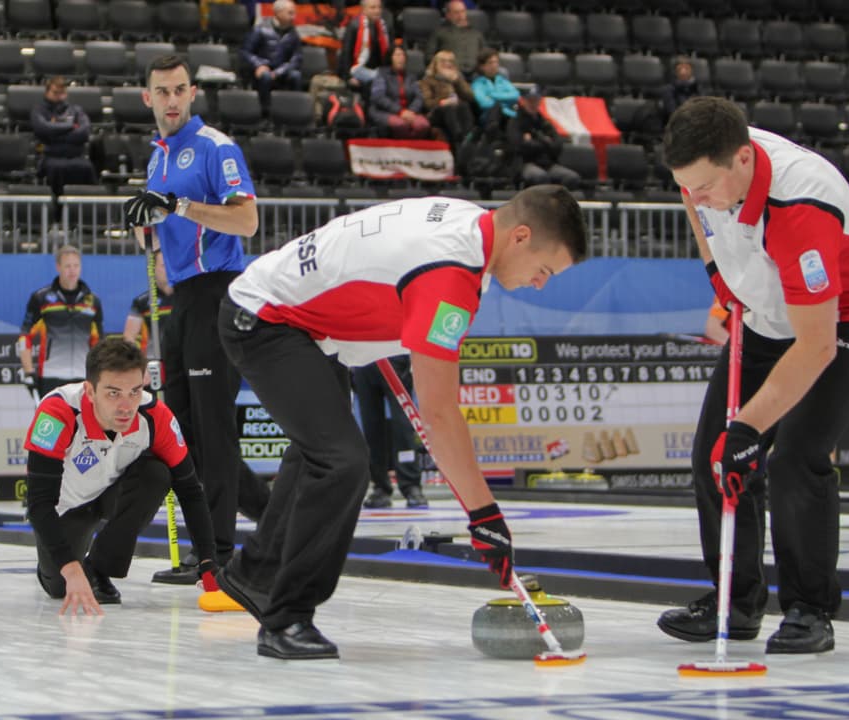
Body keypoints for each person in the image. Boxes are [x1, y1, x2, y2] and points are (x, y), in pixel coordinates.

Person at [214, 185, 586, 660]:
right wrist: (484, 514)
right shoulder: (450, 274)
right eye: (544, 270)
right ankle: (287, 618)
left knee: (322, 451)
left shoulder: (469, 223)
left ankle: (257, 573)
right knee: (342, 462)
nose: (540, 283)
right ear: (520, 236)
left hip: (306, 319)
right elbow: (437, 410)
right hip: (267, 318)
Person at [655, 97, 849, 655]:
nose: (696, 197)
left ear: (744, 159)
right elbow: (694, 208)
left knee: (795, 456)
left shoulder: (801, 204)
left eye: (705, 186)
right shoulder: (707, 170)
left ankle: (809, 609)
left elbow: (815, 346)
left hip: (847, 314)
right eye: (686, 185)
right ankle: (736, 602)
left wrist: (747, 429)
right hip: (767, 309)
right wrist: (720, 276)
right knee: (712, 456)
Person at [122, 54, 268, 569]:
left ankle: (219, 555)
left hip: (219, 293)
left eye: (180, 90)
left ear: (192, 93)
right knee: (182, 431)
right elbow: (163, 226)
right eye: (162, 92)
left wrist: (177, 207)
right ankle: (265, 519)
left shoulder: (214, 147)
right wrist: (147, 226)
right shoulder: (158, 156)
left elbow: (247, 221)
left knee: (212, 428)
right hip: (181, 298)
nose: (172, 101)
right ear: (148, 98)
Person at [25, 337, 219, 615]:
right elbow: (38, 502)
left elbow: (190, 490)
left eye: (135, 391)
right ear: (90, 391)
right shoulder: (58, 412)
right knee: (59, 586)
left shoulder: (155, 416)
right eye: (113, 393)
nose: (126, 406)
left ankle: (99, 567)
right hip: (65, 509)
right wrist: (70, 568)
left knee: (156, 473)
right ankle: (73, 565)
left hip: (111, 493)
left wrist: (208, 563)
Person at [19, 245, 103, 400]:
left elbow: (98, 342)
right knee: (53, 424)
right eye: (67, 266)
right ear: (58, 267)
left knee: (83, 423)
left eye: (76, 265)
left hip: (83, 375)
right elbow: (25, 337)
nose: (72, 270)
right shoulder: (41, 298)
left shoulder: (92, 301)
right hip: (52, 375)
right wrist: (28, 371)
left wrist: (99, 373)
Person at [353, 355, 428, 509]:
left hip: (393, 355)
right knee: (371, 424)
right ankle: (380, 486)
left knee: (403, 424)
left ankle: (411, 485)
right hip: (361, 358)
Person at [31, 76, 97, 197]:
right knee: (55, 168)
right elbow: (43, 130)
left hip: (75, 156)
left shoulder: (76, 110)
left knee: (87, 167)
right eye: (55, 93)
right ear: (47, 92)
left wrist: (55, 134)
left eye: (62, 93)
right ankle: (56, 211)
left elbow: (84, 133)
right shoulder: (39, 110)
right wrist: (70, 126)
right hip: (51, 157)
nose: (59, 96)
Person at [506, 86, 580, 191]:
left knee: (571, 177)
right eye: (530, 100)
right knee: (540, 177)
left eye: (535, 100)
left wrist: (534, 142)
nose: (533, 104)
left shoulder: (544, 122)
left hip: (548, 163)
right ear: (523, 101)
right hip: (525, 163)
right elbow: (518, 146)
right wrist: (545, 141)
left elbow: (558, 144)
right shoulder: (515, 122)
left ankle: (558, 204)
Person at [240, 0, 303, 112]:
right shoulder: (260, 29)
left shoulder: (293, 33)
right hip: (264, 69)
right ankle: (265, 112)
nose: (294, 17)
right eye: (290, 13)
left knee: (296, 76)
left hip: (282, 70)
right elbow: (245, 52)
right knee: (266, 77)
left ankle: (294, 111)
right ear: (278, 13)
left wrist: (278, 72)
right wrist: (259, 65)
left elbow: (297, 58)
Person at [368, 44, 431, 139]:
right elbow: (378, 97)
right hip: (385, 111)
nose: (401, 58)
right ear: (390, 58)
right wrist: (400, 111)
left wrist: (412, 111)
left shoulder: (411, 76)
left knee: (422, 125)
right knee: (401, 125)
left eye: (402, 55)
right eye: (397, 55)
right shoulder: (381, 74)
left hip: (409, 112)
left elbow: (419, 97)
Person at [419, 50, 474, 150]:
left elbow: (470, 97)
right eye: (443, 61)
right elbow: (427, 104)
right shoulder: (427, 80)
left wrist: (456, 82)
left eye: (450, 61)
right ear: (436, 64)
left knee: (464, 106)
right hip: (436, 113)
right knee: (448, 108)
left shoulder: (458, 79)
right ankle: (458, 137)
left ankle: (468, 137)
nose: (447, 64)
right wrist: (443, 101)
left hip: (457, 111)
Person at [122, 248, 173, 354]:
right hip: (153, 364)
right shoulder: (142, 302)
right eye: (164, 265)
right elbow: (129, 339)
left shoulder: (185, 298)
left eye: (171, 264)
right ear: (153, 268)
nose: (169, 269)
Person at [337, 0, 391, 92]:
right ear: (364, 10)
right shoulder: (354, 26)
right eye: (373, 8)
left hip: (376, 71)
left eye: (379, 7)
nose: (377, 11)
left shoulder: (383, 27)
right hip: (356, 70)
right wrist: (348, 78)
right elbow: (346, 54)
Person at [425, 0, 485, 78]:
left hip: (475, 73)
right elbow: (428, 57)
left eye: (463, 11)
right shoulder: (439, 32)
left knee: (501, 71)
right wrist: (443, 66)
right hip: (449, 73)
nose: (461, 15)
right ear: (448, 15)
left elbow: (485, 54)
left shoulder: (476, 33)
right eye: (456, 12)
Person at [471, 48, 519, 126]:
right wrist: (505, 102)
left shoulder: (502, 80)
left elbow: (515, 95)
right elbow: (484, 103)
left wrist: (492, 95)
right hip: (488, 117)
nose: (494, 65)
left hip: (508, 115)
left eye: (496, 62)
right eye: (490, 63)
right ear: (482, 66)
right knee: (496, 109)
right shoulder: (478, 84)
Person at [662, 56, 701, 121]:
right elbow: (672, 112)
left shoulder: (698, 88)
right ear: (675, 71)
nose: (683, 72)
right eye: (680, 69)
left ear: (692, 70)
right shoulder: (668, 89)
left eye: (686, 68)